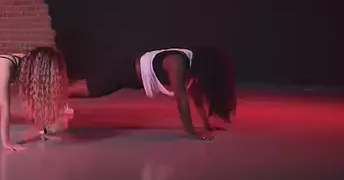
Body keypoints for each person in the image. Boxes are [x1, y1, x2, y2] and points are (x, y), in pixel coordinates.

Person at [70, 47, 237, 140]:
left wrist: (206, 124)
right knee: (93, 90)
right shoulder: (177, 63)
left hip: (133, 76)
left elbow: (196, 97)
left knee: (89, 86)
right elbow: (181, 100)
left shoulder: (191, 70)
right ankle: (59, 91)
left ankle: (61, 88)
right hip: (125, 72)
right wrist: (192, 133)